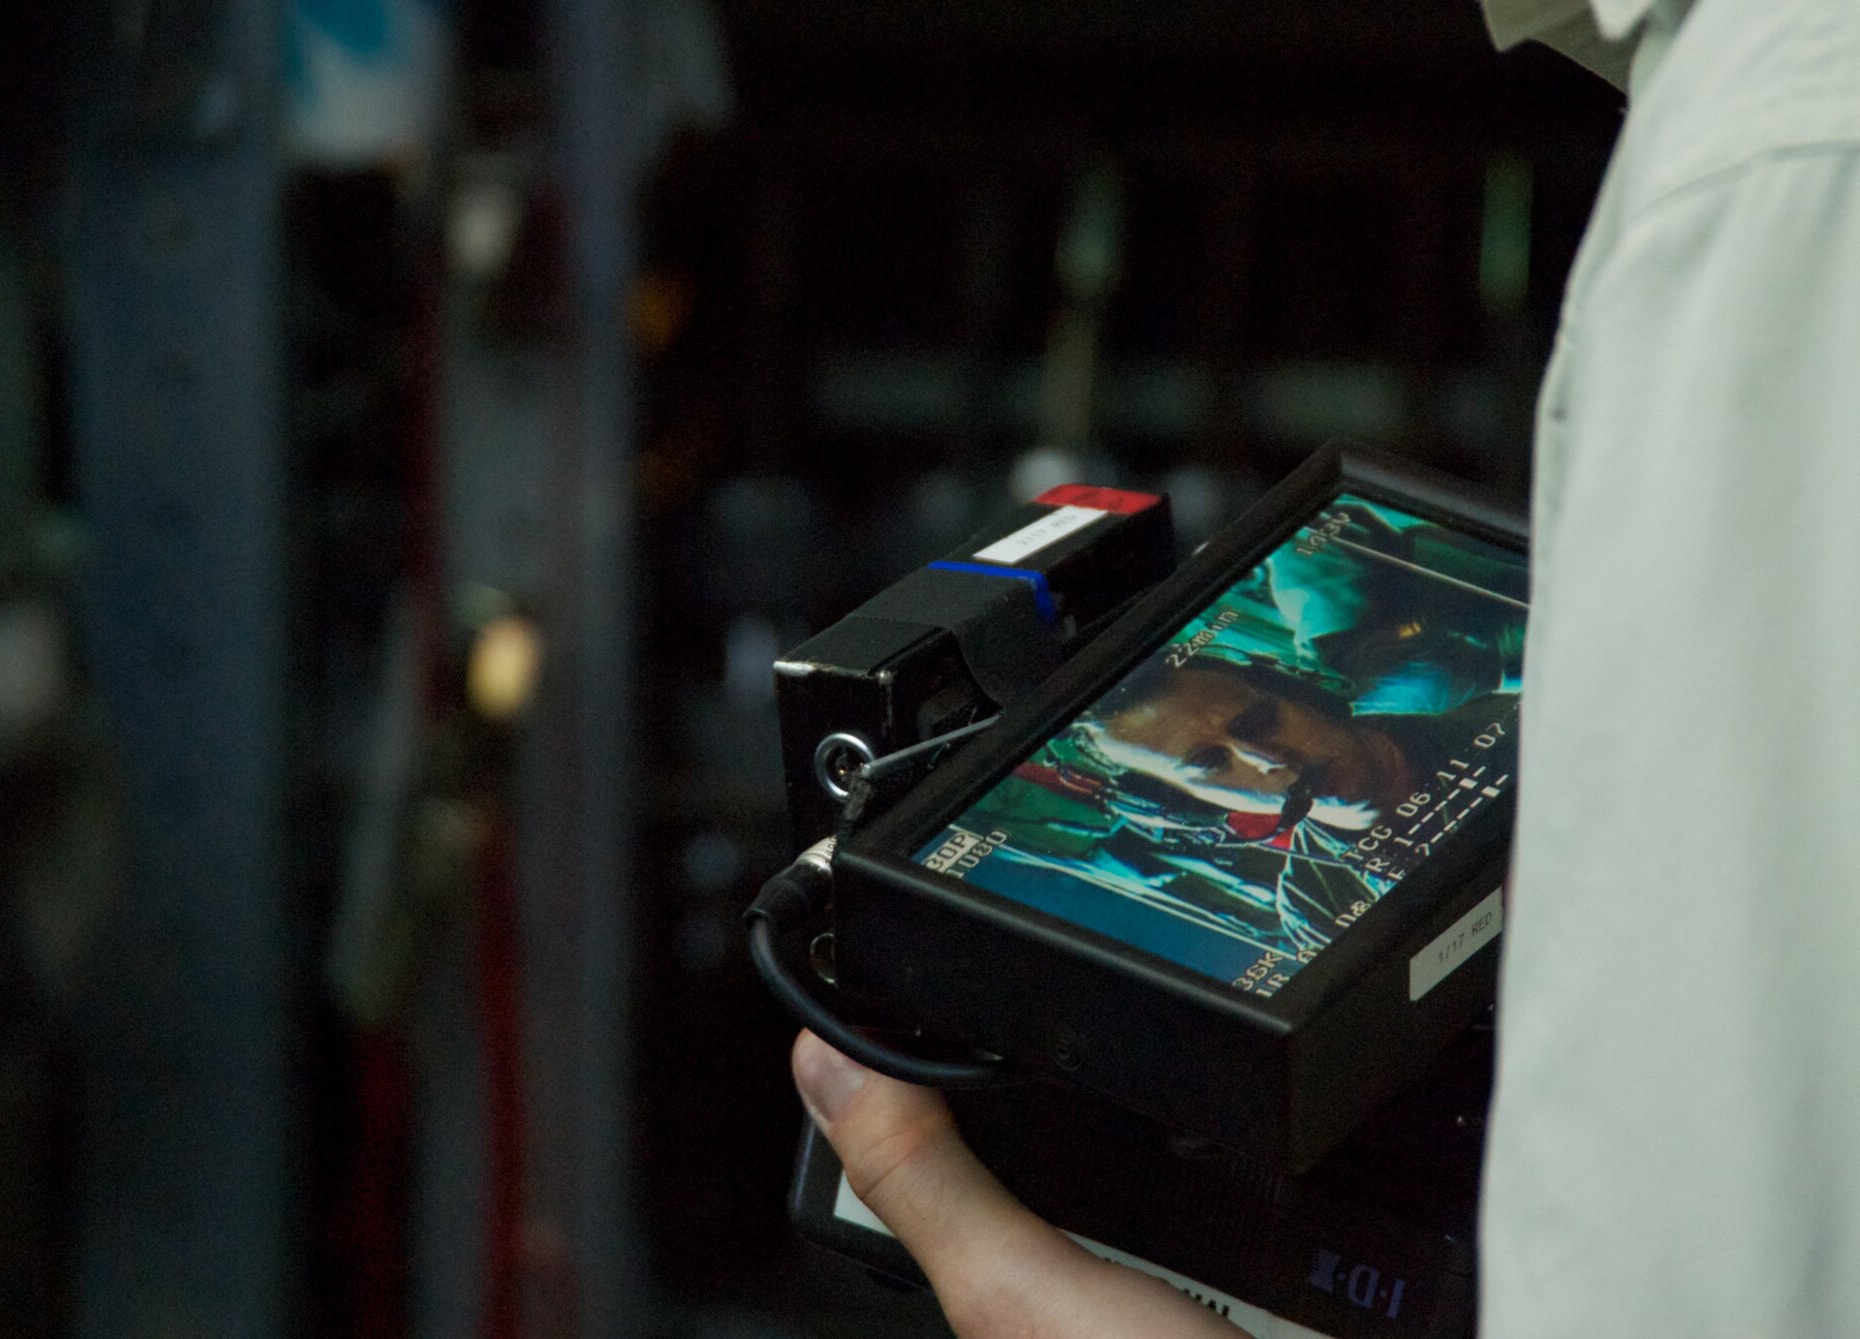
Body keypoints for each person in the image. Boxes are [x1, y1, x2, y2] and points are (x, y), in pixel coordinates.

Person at [792, 0, 1860, 1333]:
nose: (1259, 764)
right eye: (1209, 767)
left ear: (1302, 682)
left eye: (1246, 717)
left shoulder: (1783, 169)